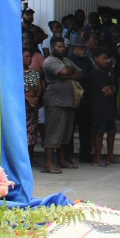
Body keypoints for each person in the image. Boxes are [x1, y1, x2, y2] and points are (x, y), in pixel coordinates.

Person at [41, 37, 84, 174]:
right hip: (55, 102)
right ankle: (48, 163)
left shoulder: (66, 60)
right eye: (58, 47)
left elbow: (81, 74)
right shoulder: (49, 61)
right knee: (53, 133)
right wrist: (67, 72)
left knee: (65, 135)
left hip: (69, 102)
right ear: (52, 47)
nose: (62, 49)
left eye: (63, 46)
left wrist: (67, 72)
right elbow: (63, 72)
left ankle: (61, 160)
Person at [87, 47, 120, 167]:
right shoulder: (93, 73)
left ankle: (110, 156)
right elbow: (105, 90)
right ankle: (97, 158)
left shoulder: (105, 72)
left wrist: (112, 88)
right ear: (96, 59)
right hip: (99, 106)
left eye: (106, 59)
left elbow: (112, 86)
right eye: (103, 59)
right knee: (99, 132)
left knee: (112, 130)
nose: (105, 61)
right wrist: (111, 90)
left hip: (108, 106)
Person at [23, 48, 45, 167]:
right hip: (22, 108)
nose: (28, 58)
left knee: (31, 134)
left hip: (32, 108)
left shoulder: (34, 73)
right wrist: (28, 99)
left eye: (30, 56)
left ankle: (30, 158)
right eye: (26, 56)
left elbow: (40, 88)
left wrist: (36, 98)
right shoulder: (16, 73)